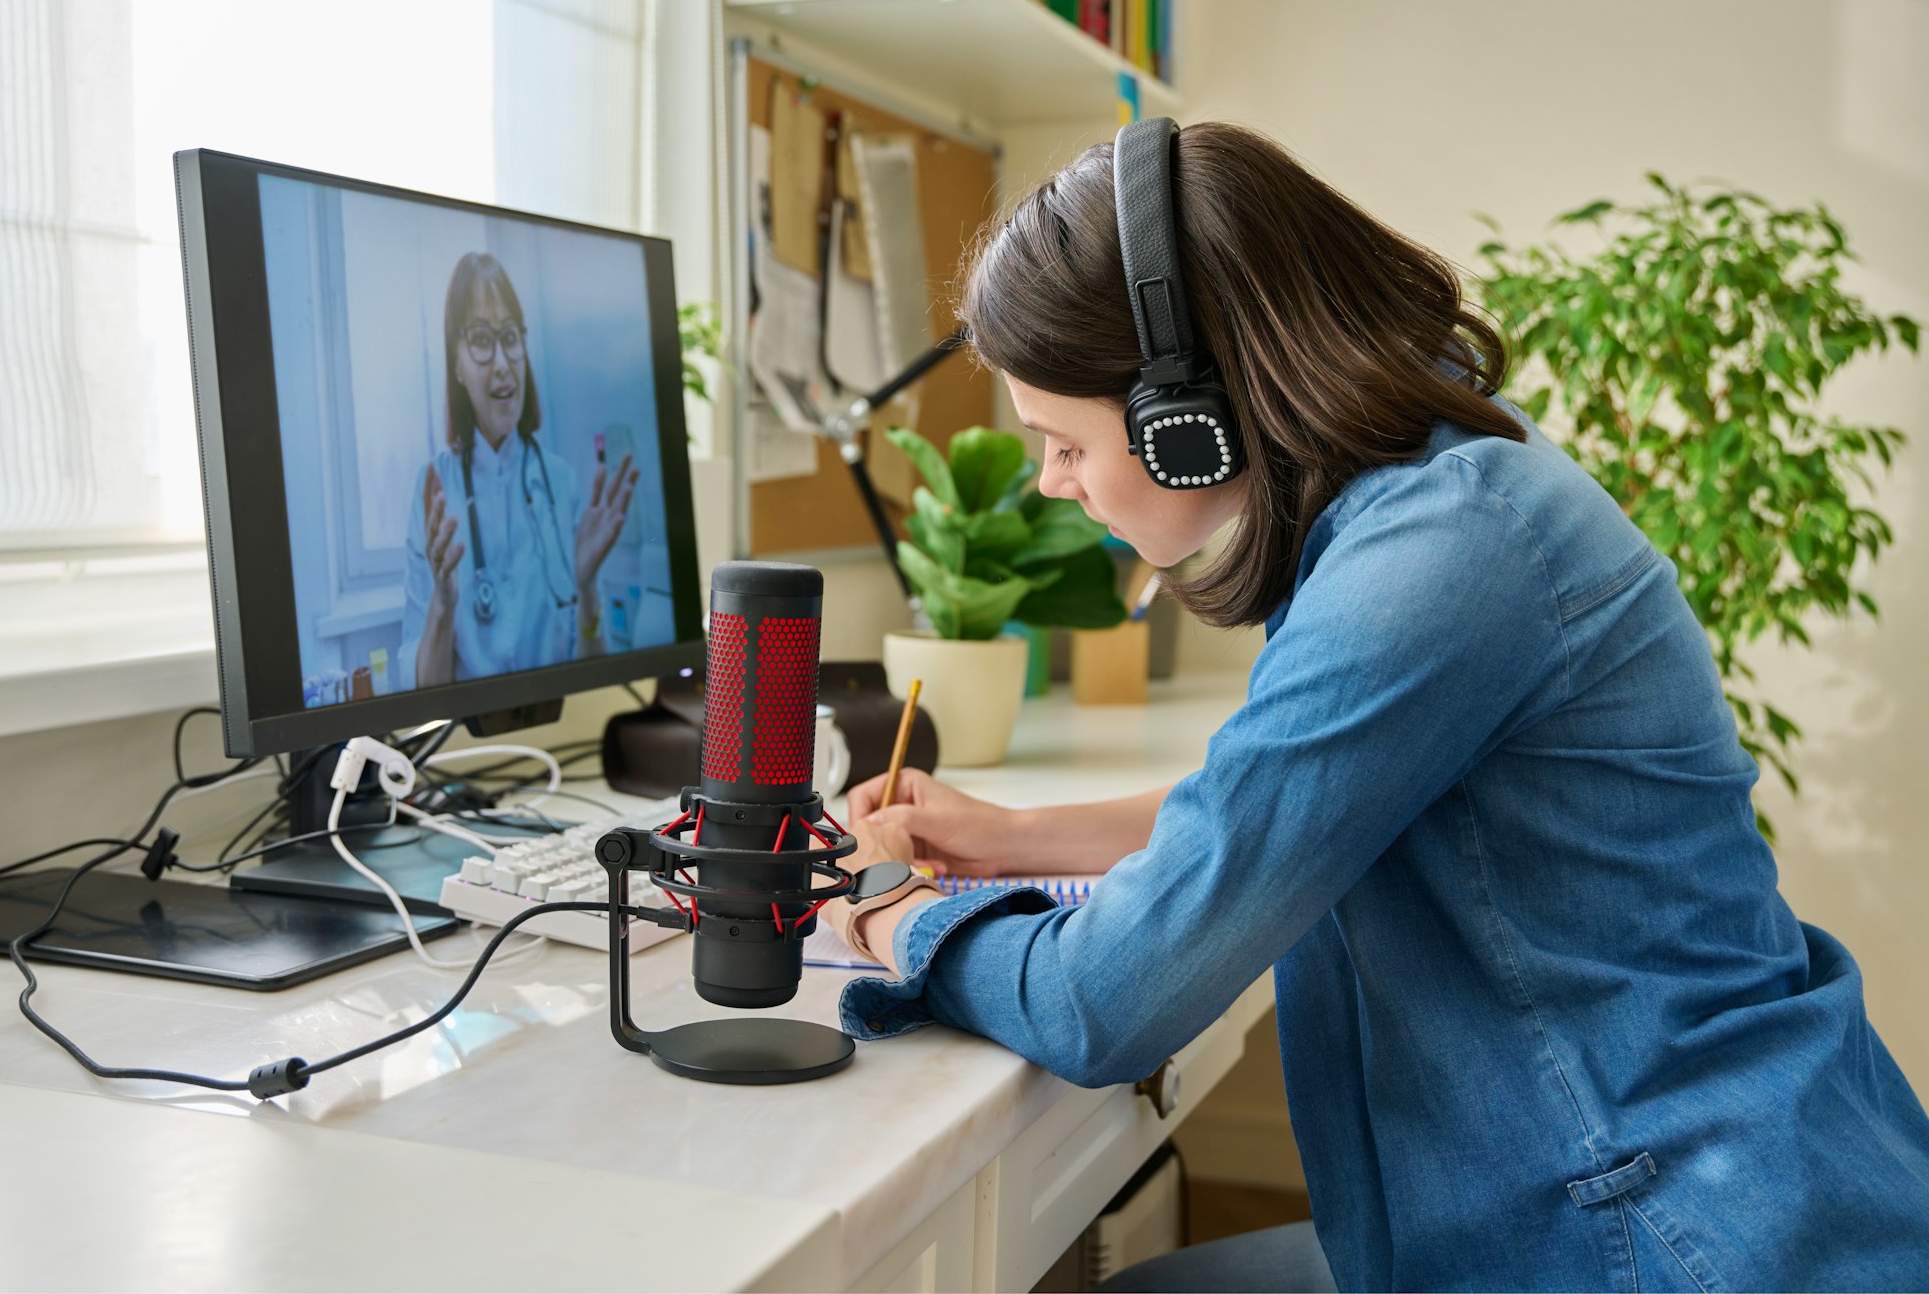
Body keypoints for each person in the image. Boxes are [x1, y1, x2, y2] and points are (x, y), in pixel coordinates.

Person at [817, 121, 1929, 1291]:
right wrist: (1010, 838)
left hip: (1670, 1241)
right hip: (1662, 1178)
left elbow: (1101, 1001)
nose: (1050, 479)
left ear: (1179, 416)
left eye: (1058, 441)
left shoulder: (1435, 558)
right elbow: (1292, 800)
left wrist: (881, 902)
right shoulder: (1431, 490)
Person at [399, 252, 638, 689]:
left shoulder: (561, 482)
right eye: (480, 339)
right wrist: (444, 604)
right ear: (456, 365)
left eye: (510, 337)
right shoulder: (433, 489)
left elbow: (593, 675)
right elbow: (425, 694)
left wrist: (585, 588)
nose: (503, 362)